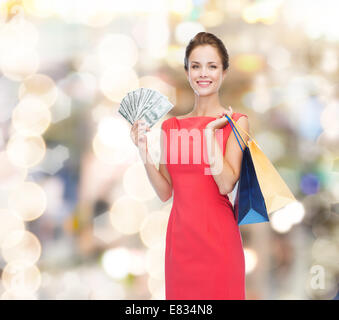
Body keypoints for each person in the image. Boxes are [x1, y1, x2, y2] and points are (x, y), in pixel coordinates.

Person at [130, 32, 249, 300]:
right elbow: (165, 192)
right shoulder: (172, 127)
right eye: (196, 66)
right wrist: (144, 151)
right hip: (181, 245)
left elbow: (226, 182)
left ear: (224, 72)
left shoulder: (237, 122)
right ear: (187, 72)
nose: (203, 73)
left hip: (220, 243)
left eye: (212, 66)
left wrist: (209, 135)